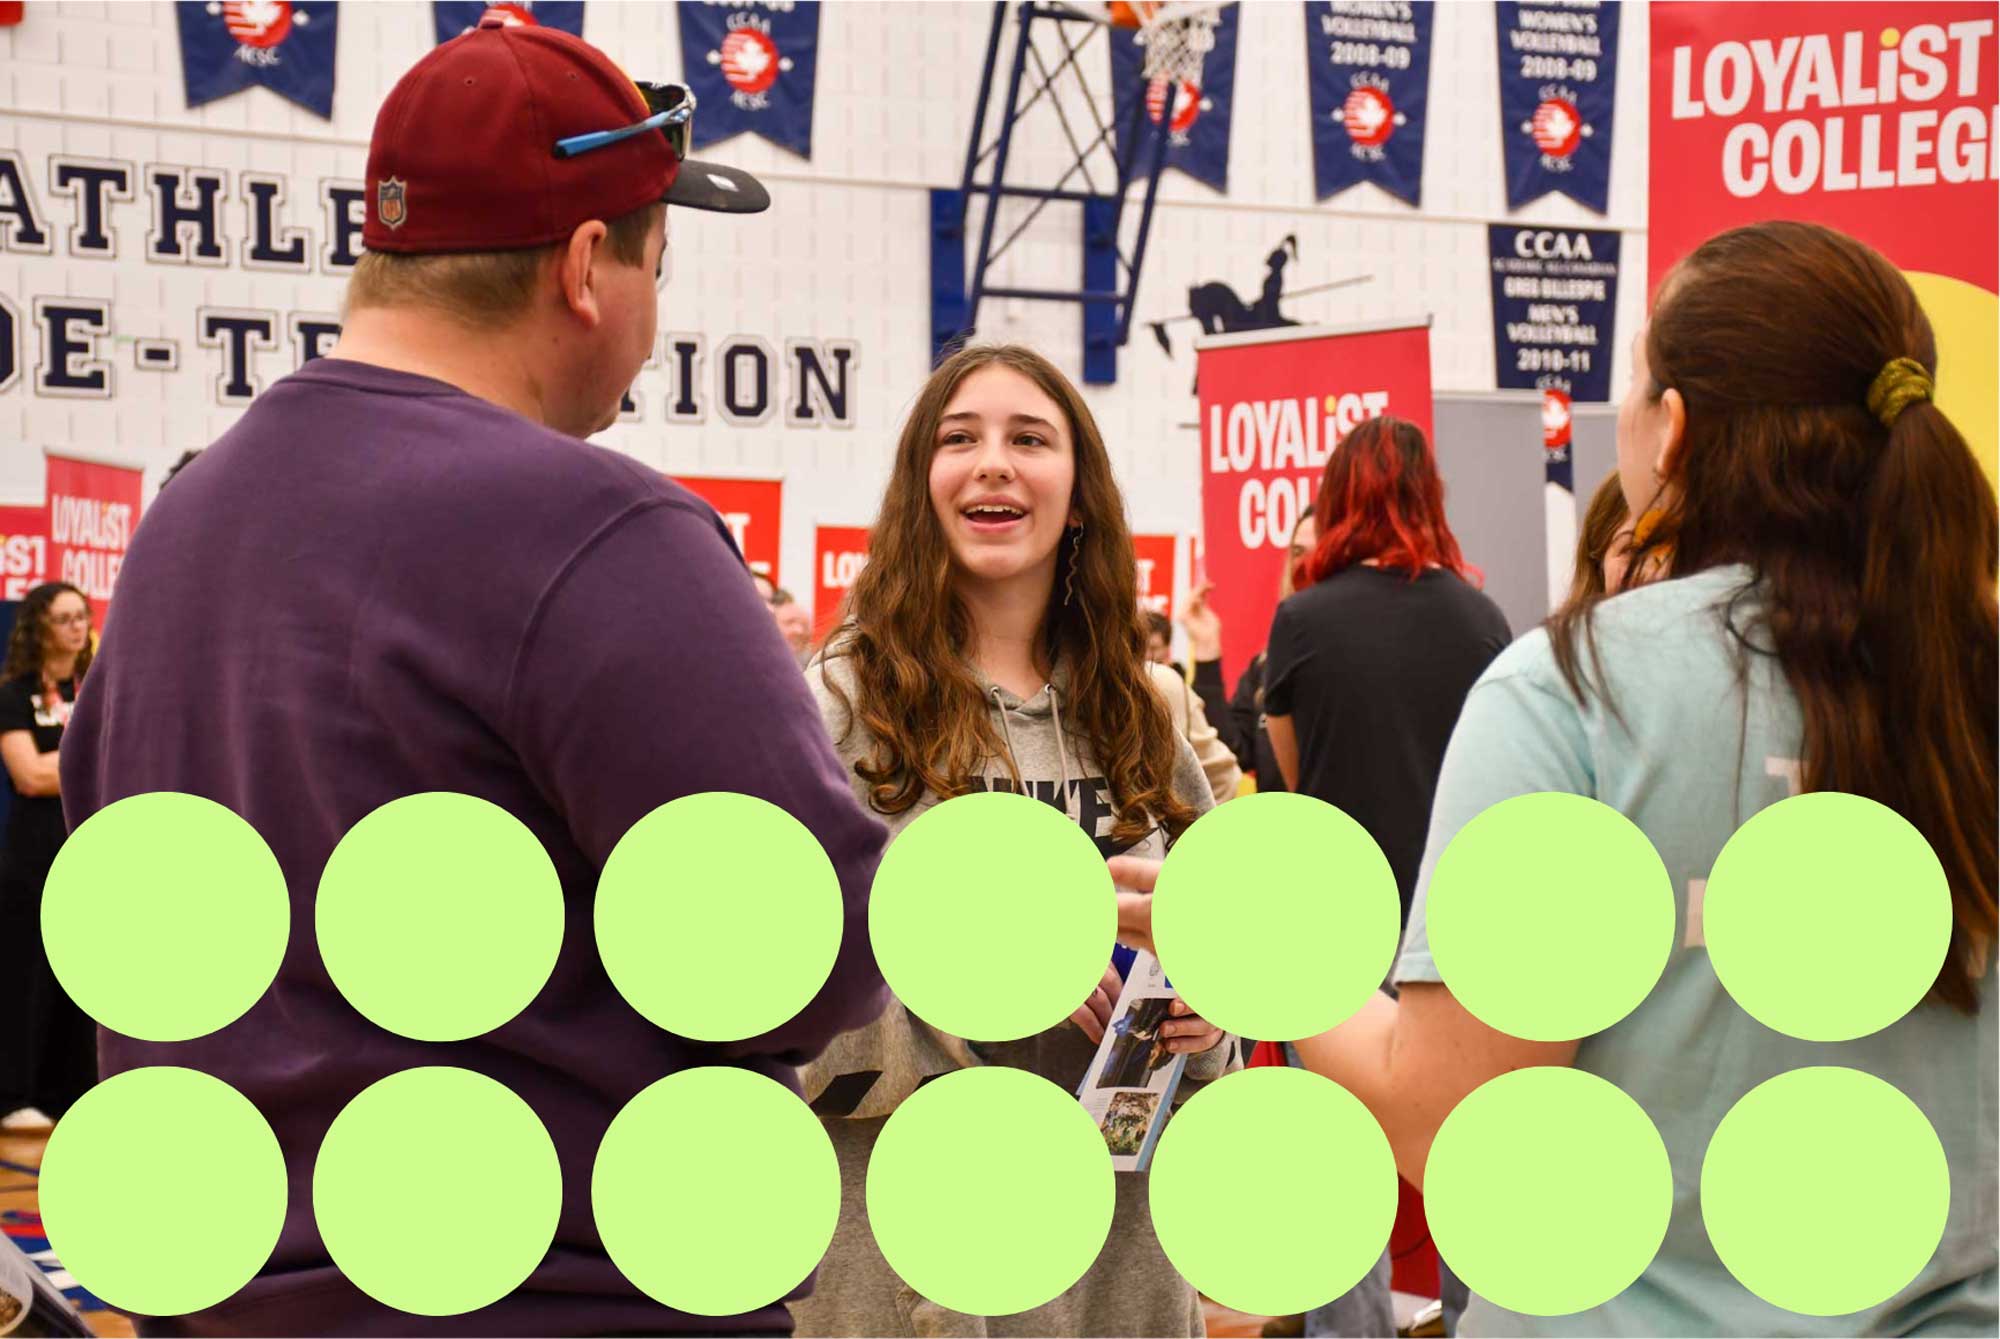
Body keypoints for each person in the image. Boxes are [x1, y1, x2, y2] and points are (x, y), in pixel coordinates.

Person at [62, 21, 887, 1338]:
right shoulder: (600, 529)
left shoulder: (185, 523)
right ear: (582, 269)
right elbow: (806, 953)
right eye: (654, 266)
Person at [1278, 220, 1993, 1335]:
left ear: (1677, 427)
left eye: (1630, 380)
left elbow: (1458, 1121)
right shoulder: (1969, 682)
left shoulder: (1576, 690)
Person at [795, 343, 1233, 1338]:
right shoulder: (835, 709)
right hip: (910, 1282)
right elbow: (772, 1022)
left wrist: (1205, 1023)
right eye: (960, 439)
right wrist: (982, 958)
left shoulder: (1149, 714)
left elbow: (1220, 1027)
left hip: (1118, 1277)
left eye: (1028, 438)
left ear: (1077, 494)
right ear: (922, 486)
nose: (993, 460)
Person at [1265, 415, 1511, 927]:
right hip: (1454, 906)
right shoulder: (1483, 618)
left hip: (1337, 905)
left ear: (1335, 499)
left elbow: (1299, 779)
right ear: (1430, 498)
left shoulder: (1300, 620)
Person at [0, 584, 95, 1134]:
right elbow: (31, 775)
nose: (76, 627)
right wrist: (85, 756)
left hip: (88, 846)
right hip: (34, 854)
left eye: (82, 616)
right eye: (63, 618)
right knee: (27, 976)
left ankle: (73, 1088)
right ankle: (15, 1094)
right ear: (39, 627)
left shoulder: (96, 689)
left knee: (80, 973)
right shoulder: (13, 694)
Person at [1185, 513, 1318, 792]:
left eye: (1321, 550)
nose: (1306, 564)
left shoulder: (1357, 659)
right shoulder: (1266, 666)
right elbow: (1229, 753)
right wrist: (1208, 650)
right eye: (1297, 551)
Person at [1141, 608, 1241, 805]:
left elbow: (1222, 773)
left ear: (1167, 648)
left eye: (1152, 648)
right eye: (1138, 646)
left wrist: (1196, 825)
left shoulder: (1170, 685)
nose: (1145, 656)